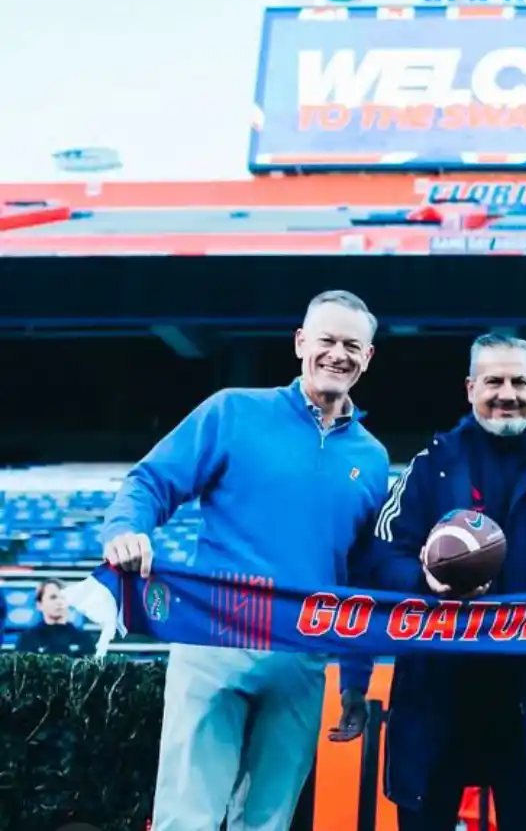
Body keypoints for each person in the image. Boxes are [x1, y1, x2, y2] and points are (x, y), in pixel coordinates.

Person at [100, 290, 390, 831]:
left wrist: (355, 678)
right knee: (187, 818)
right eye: (326, 340)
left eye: (352, 345)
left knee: (269, 822)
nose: (338, 354)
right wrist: (126, 530)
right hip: (215, 640)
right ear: (301, 343)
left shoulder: (372, 459)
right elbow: (149, 481)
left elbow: (363, 576)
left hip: (302, 658)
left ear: (368, 357)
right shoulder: (233, 410)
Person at [354, 333, 526, 831]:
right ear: (470, 387)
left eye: (519, 381)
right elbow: (379, 556)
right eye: (494, 381)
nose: (507, 393)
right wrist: (424, 577)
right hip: (436, 694)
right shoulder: (429, 468)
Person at [15, 579, 96, 656]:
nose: (59, 602)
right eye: (53, 597)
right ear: (39, 605)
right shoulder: (27, 639)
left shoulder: (83, 639)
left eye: (63, 598)